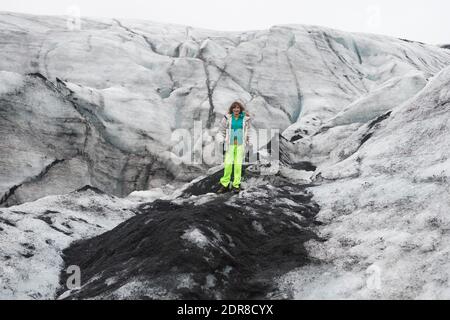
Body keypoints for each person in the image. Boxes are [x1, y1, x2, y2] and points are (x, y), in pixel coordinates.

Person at [217, 101, 251, 193]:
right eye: (234, 108)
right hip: (230, 144)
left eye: (238, 108)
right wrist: (223, 140)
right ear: (232, 109)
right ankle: (225, 184)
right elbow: (222, 130)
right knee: (228, 164)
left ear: (240, 109)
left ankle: (236, 185)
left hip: (240, 145)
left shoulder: (245, 119)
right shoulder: (227, 118)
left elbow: (248, 131)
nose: (236, 109)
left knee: (237, 165)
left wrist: (248, 141)